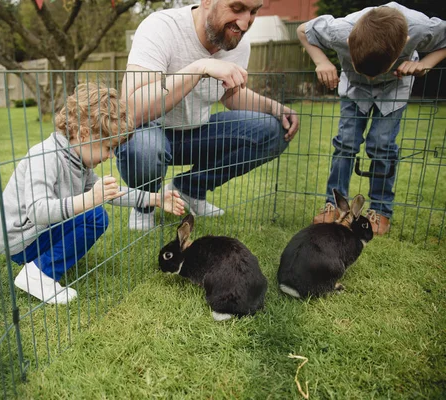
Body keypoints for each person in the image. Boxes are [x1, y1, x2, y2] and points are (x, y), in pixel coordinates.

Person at [115, 0, 300, 231]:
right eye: (237, 8)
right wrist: (198, 68)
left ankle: (188, 188)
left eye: (253, 12)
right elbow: (130, 109)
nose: (245, 23)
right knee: (144, 148)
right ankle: (144, 205)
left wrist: (275, 108)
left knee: (274, 130)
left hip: (197, 133)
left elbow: (231, 95)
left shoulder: (236, 41)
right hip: (149, 131)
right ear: (207, 1)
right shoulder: (161, 27)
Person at [0, 84, 185, 304]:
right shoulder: (46, 156)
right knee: (94, 216)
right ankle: (39, 274)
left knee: (93, 212)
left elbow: (111, 194)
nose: (111, 156)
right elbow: (37, 211)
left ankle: (42, 265)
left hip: (37, 234)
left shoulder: (78, 161)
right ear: (84, 134)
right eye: (108, 147)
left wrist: (155, 199)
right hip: (22, 241)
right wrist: (88, 199)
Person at [299, 2, 446, 235]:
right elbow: (303, 30)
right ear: (349, 43)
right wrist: (322, 61)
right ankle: (334, 204)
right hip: (355, 88)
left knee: (382, 145)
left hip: (394, 86)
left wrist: (425, 65)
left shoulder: (419, 27)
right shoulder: (339, 30)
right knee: (345, 143)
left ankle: (380, 209)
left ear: (405, 42)